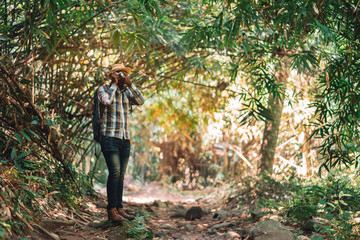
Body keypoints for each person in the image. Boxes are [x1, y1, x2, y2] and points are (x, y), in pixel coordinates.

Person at [97, 63, 144, 222]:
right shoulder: (103, 89)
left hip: (125, 138)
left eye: (124, 74)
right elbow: (107, 101)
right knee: (115, 172)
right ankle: (111, 210)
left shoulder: (126, 92)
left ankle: (119, 208)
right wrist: (114, 85)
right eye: (118, 73)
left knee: (121, 175)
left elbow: (140, 101)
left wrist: (130, 84)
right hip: (109, 137)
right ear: (111, 75)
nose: (121, 76)